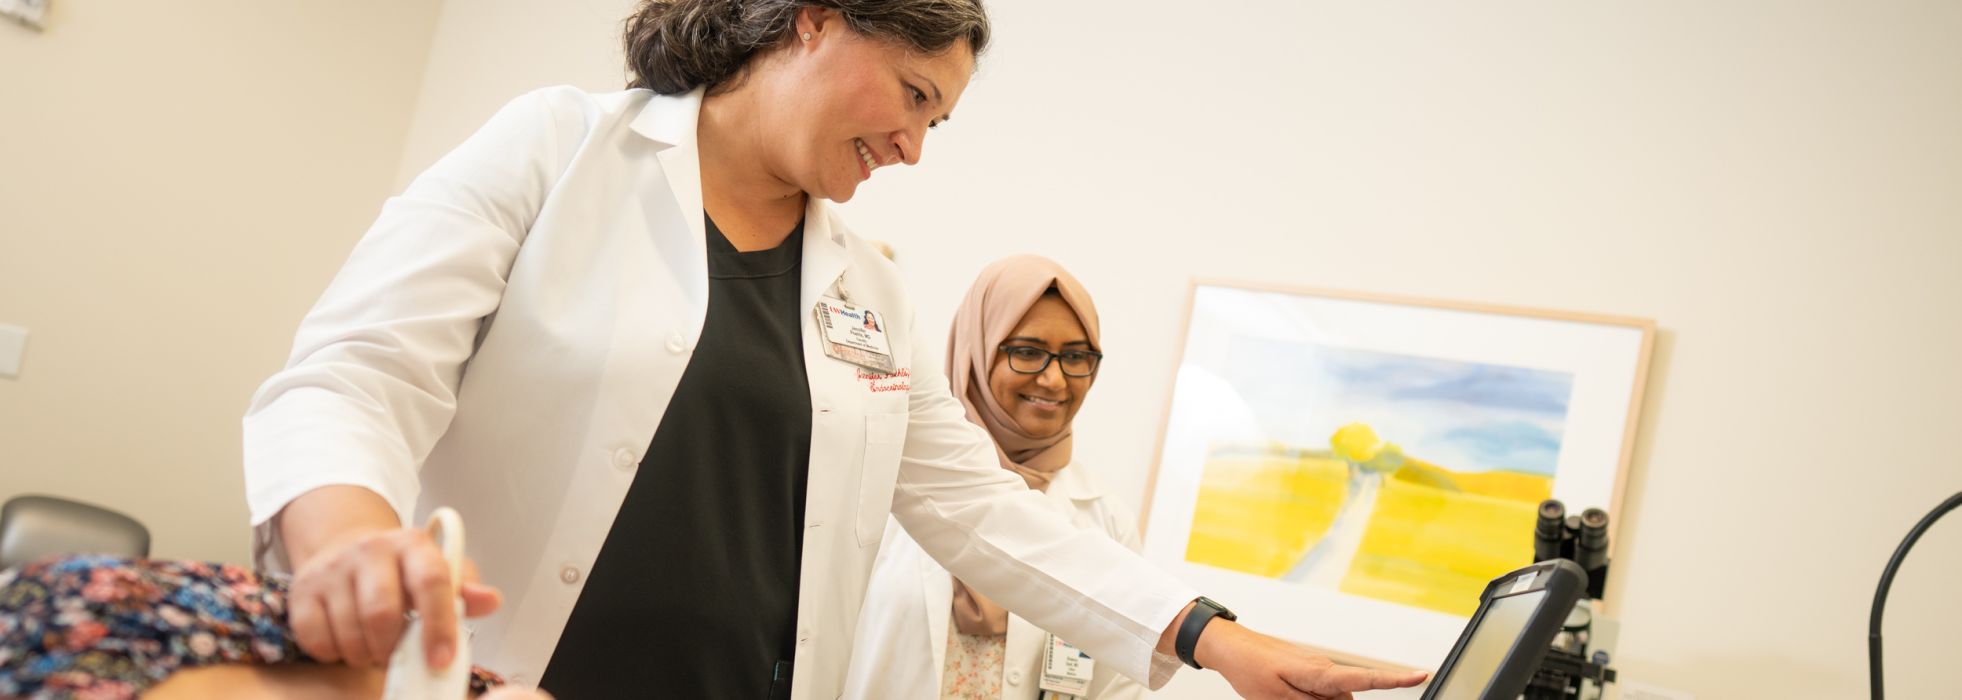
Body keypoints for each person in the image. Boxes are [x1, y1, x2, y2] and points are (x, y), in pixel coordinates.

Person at [241, 1, 1429, 698]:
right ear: (811, 19)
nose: (916, 146)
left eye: (938, 120)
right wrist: (344, 538)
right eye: (912, 96)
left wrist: (1222, 639)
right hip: (504, 678)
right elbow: (356, 370)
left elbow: (984, 509)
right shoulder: (559, 152)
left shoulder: (864, 285)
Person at [845, 255, 1144, 698]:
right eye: (1027, 351)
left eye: (1076, 357)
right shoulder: (887, 484)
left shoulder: (1106, 521)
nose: (1053, 379)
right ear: (977, 348)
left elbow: (1120, 682)